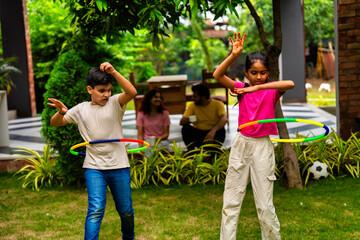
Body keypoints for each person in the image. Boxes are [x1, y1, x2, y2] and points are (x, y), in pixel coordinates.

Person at [213, 33, 294, 240]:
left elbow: (290, 84)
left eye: (263, 73)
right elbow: (218, 75)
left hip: (262, 147)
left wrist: (258, 87)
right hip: (242, 144)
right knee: (231, 201)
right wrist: (233, 55)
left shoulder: (270, 90)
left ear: (268, 72)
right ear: (246, 72)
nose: (259, 76)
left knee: (265, 205)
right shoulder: (240, 89)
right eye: (254, 73)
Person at [47, 62, 137, 240]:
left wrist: (114, 72)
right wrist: (61, 112)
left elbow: (132, 92)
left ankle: (129, 237)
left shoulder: (115, 103)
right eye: (102, 90)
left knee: (126, 210)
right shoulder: (81, 109)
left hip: (118, 165)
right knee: (95, 209)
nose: (106, 94)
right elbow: (55, 123)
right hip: (94, 167)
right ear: (90, 89)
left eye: (109, 90)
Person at [180, 84, 227, 151]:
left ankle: (214, 152)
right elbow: (182, 121)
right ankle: (191, 151)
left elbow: (224, 119)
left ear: (203, 97)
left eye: (195, 96)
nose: (192, 98)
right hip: (199, 134)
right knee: (185, 129)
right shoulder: (193, 105)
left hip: (213, 134)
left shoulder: (218, 104)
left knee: (221, 130)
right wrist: (190, 119)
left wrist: (213, 132)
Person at [136, 89, 170, 153]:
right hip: (147, 140)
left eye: (160, 97)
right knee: (149, 146)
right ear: (149, 99)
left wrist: (157, 139)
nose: (158, 99)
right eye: (155, 97)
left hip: (161, 141)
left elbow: (166, 134)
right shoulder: (142, 113)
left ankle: (148, 162)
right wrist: (140, 147)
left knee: (154, 147)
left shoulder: (164, 113)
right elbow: (140, 134)